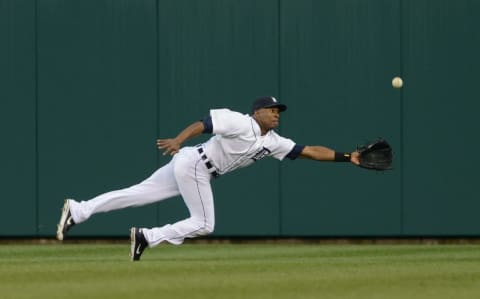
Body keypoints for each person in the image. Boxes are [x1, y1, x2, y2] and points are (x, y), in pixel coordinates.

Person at [56, 96, 360, 261]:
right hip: (195, 164)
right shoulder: (240, 121)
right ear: (257, 112)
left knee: (137, 193)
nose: (276, 113)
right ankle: (146, 237)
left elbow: (310, 151)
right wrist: (177, 140)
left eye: (278, 110)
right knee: (204, 223)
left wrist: (348, 157)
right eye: (271, 109)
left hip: (193, 165)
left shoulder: (274, 141)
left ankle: (79, 209)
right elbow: (203, 124)